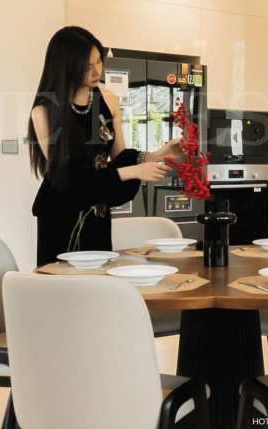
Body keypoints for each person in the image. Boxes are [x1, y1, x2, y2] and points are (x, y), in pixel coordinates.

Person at [27, 26, 183, 265]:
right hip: (61, 214)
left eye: (99, 61)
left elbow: (119, 156)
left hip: (97, 212)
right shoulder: (44, 112)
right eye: (86, 66)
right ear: (66, 66)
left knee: (99, 277)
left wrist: (156, 155)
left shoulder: (108, 99)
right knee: (65, 282)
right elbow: (71, 177)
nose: (97, 71)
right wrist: (134, 171)